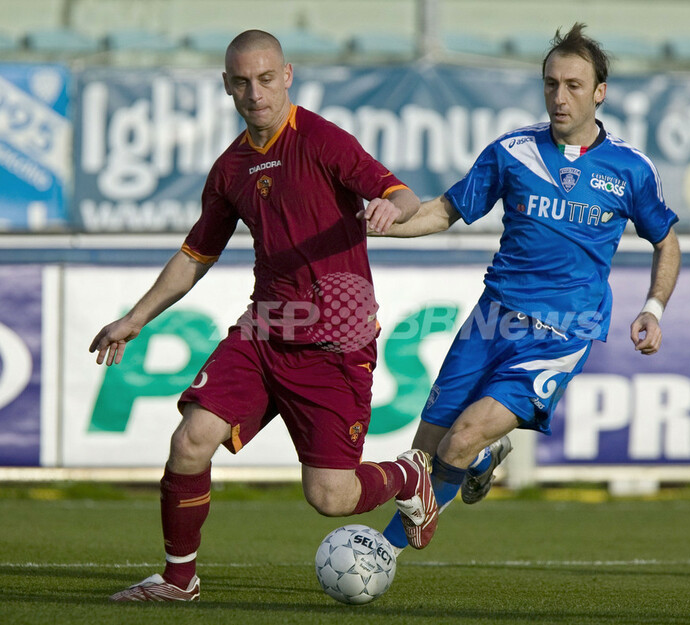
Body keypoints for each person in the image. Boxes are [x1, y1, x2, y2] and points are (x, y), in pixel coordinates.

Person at [90, 29, 438, 602]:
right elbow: (195, 254)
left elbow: (399, 193)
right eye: (243, 82)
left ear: (288, 76)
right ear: (227, 86)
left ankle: (408, 475)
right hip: (264, 333)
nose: (256, 93)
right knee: (191, 439)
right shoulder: (229, 169)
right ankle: (179, 581)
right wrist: (137, 318)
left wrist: (388, 207)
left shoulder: (323, 141)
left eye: (267, 79)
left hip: (336, 343)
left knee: (330, 497)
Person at [379, 23, 681, 553]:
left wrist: (653, 308)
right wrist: (374, 223)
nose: (559, 97)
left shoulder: (631, 169)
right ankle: (474, 464)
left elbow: (667, 241)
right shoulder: (512, 151)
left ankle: (380, 552)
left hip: (560, 335)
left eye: (573, 85)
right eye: (550, 84)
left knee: (466, 431)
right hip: (491, 319)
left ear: (600, 92)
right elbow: (444, 211)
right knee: (426, 453)